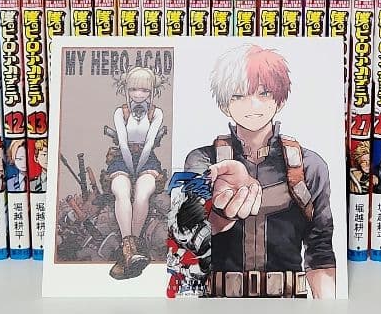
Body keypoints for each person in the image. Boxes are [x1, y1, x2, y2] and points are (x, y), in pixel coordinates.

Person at [178, 44, 336, 298]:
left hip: (289, 300)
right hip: (219, 300)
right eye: (238, 95)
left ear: (279, 99)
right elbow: (187, 237)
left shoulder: (309, 165)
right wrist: (220, 212)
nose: (252, 105)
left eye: (264, 93)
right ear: (225, 104)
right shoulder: (203, 160)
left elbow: (320, 250)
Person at [105, 66, 165, 280]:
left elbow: (149, 144)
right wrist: (130, 169)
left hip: (147, 160)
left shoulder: (156, 113)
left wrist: (139, 168)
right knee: (121, 191)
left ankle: (131, 248)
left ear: (152, 91)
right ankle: (130, 249)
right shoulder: (120, 112)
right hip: (122, 158)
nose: (139, 94)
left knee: (142, 194)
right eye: (134, 89)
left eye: (145, 90)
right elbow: (122, 143)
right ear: (126, 90)